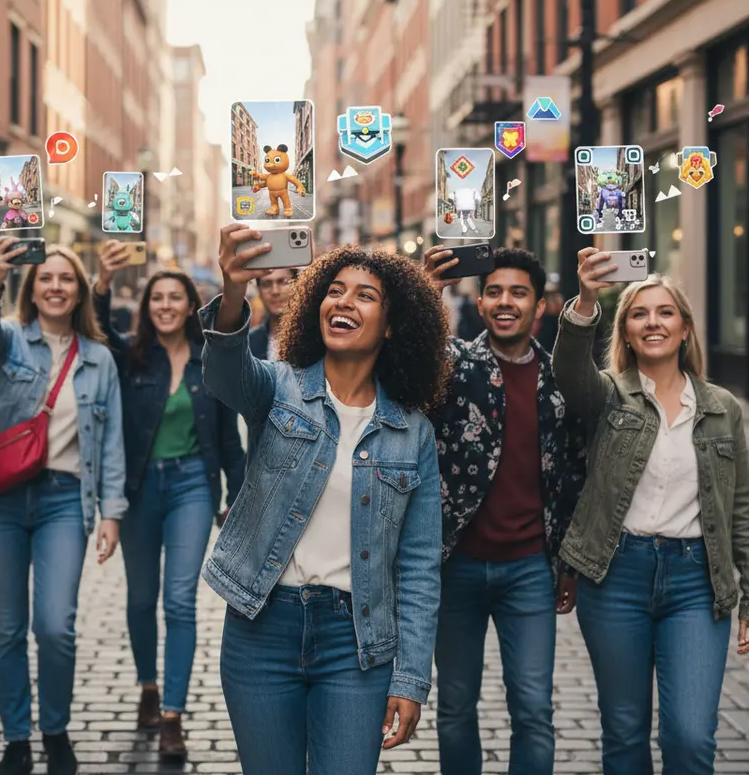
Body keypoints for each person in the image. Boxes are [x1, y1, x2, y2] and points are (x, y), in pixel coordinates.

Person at [199, 223, 450, 775]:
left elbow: (419, 566)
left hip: (355, 639)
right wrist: (235, 288)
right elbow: (224, 374)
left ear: (391, 326)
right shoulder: (280, 387)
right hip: (263, 628)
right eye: (334, 290)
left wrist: (410, 678)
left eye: (366, 295)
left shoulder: (413, 433)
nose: (344, 301)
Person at [552, 250, 749, 775]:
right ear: (627, 331)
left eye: (665, 312)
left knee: (689, 738)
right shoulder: (608, 396)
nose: (653, 322)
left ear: (685, 328)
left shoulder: (722, 408)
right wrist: (588, 299)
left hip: (696, 581)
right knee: (624, 733)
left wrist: (748, 594)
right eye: (639, 314)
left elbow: (741, 507)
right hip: (616, 577)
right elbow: (568, 373)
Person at [0, 237, 127, 775]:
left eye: (66, 279)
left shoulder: (99, 358)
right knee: (6, 628)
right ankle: (16, 738)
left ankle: (54, 729)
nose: (55, 287)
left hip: (63, 501)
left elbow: (110, 443)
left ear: (79, 290)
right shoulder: (8, 340)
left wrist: (110, 512)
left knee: (56, 626)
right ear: (31, 289)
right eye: (46, 278)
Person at [423, 244, 587, 775]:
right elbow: (405, 359)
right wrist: (428, 289)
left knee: (534, 710)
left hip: (530, 571)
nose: (505, 302)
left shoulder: (560, 378)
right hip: (457, 567)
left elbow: (576, 472)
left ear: (540, 306)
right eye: (494, 291)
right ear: (481, 300)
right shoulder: (453, 366)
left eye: (519, 292)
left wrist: (568, 562)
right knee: (453, 709)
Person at [93, 240, 245, 760]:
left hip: (191, 488)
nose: (164, 306)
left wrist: (236, 498)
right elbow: (93, 328)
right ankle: (147, 685)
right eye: (156, 298)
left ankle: (173, 716)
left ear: (188, 305)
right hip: (139, 491)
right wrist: (102, 283)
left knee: (180, 600)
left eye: (174, 298)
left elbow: (228, 439)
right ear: (146, 306)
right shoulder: (130, 355)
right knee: (141, 600)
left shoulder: (212, 363)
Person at [249, 268, 298, 360]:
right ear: (259, 291)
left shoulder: (315, 338)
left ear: (297, 285)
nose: (275, 291)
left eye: (283, 282)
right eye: (266, 284)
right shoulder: (248, 343)